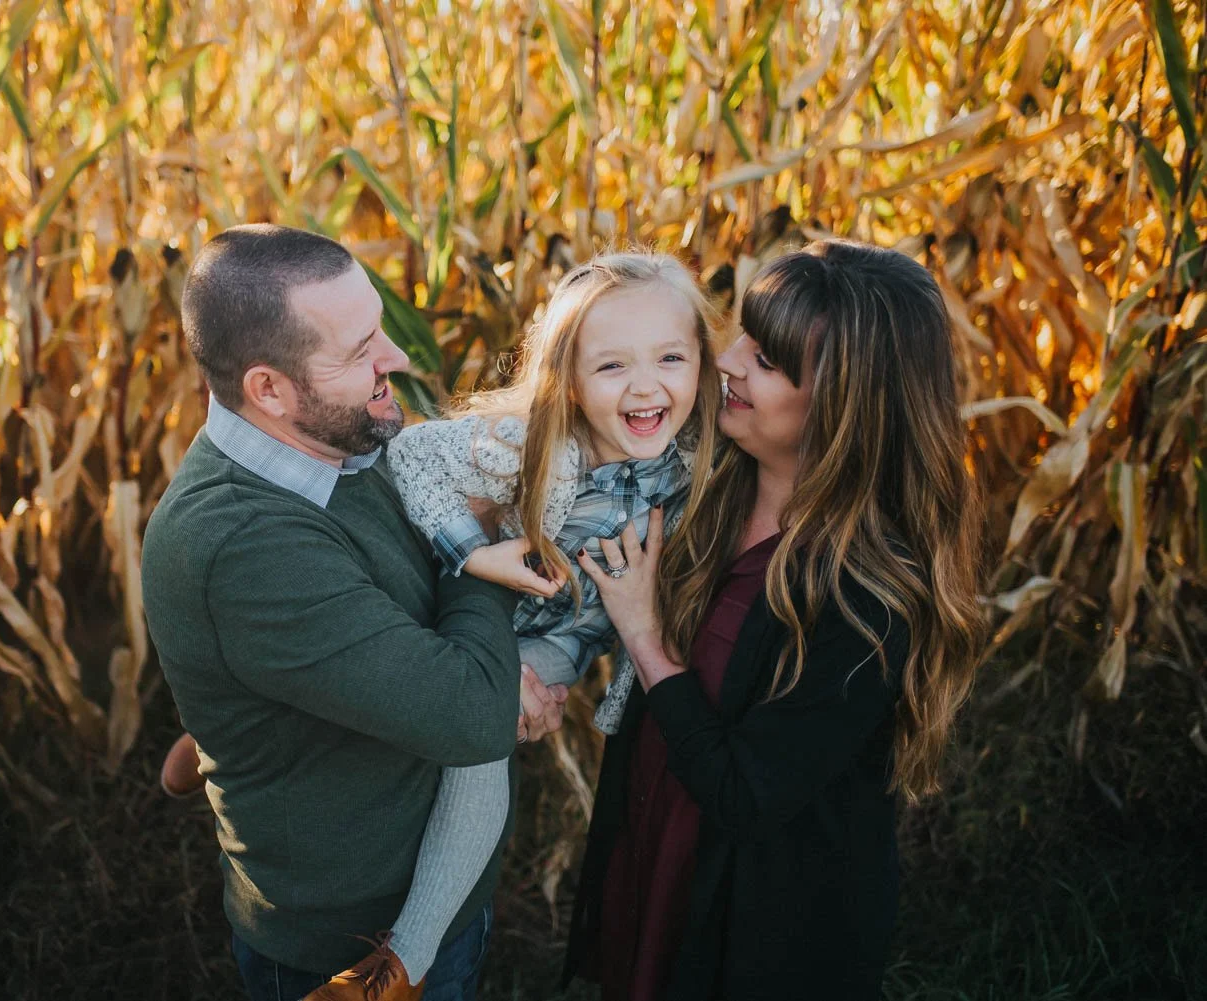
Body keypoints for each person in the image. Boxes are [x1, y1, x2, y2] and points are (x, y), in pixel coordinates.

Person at [140, 224, 562, 1001]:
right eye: (359, 350)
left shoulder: (336, 439)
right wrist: (476, 543)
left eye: (381, 330)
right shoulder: (242, 545)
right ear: (268, 389)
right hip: (351, 951)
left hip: (433, 887)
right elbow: (473, 715)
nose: (394, 358)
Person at [565, 240, 986, 1000]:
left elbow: (746, 794)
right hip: (654, 841)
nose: (726, 360)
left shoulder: (867, 598)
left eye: (764, 360)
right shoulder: (699, 479)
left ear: (841, 402)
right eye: (742, 337)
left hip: (755, 917)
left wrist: (645, 637)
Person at [319, 252, 718, 991]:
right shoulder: (535, 443)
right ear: (569, 378)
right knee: (366, 708)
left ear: (703, 361)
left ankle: (401, 963)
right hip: (452, 613)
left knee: (476, 740)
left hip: (555, 643)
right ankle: (213, 744)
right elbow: (412, 456)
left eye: (671, 357)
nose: (646, 386)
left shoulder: (699, 465)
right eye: (612, 366)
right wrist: (475, 554)